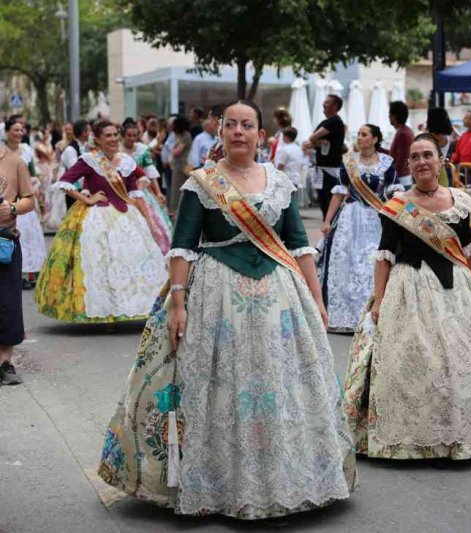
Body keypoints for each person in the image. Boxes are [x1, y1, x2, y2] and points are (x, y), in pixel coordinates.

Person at [97, 100, 356, 518]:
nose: (238, 131)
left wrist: (316, 297)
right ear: (221, 133)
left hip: (278, 295)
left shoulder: (280, 182)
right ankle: (215, 484)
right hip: (215, 295)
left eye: (247, 125)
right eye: (231, 124)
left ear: (260, 134)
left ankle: (287, 478)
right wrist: (178, 304)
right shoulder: (201, 183)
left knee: (279, 385)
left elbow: (298, 244)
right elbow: (182, 246)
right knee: (216, 386)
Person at [342, 132, 471, 460]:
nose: (422, 161)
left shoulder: (459, 201)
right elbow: (384, 255)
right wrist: (379, 301)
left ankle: (463, 433)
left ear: (440, 161)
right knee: (421, 361)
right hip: (410, 288)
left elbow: (469, 252)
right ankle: (421, 439)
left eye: (428, 155)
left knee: (460, 360)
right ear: (409, 164)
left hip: (457, 288)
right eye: (416, 156)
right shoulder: (397, 206)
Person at [34, 120, 167, 323]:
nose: (113, 139)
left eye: (115, 134)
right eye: (108, 135)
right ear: (97, 139)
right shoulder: (89, 160)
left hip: (127, 219)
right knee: (100, 263)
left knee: (129, 263)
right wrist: (87, 199)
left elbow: (135, 193)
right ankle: (106, 313)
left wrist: (149, 222)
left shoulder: (127, 162)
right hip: (96, 219)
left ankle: (129, 308)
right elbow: (64, 182)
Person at [319, 124, 398, 333]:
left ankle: (373, 314)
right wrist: (327, 220)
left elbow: (394, 192)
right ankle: (345, 317)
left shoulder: (387, 163)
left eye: (364, 134)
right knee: (347, 265)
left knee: (373, 263)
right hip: (351, 219)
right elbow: (339, 193)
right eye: (359, 134)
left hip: (376, 219)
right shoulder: (349, 161)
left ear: (375, 139)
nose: (360, 138)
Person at [0, 142, 36, 385]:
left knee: (7, 304)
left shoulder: (15, 161)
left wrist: (12, 207)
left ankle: (4, 363)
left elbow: (30, 199)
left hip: (4, 244)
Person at [4, 116, 47, 289]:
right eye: (15, 130)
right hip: (9, 200)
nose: (19, 133)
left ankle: (29, 272)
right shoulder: (3, 151)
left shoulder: (26, 150)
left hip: (25, 197)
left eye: (21, 130)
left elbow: (33, 172)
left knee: (30, 237)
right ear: (7, 132)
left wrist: (36, 184)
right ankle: (16, 273)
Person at [121, 122, 172, 254]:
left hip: (142, 191)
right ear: (123, 136)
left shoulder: (143, 149)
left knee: (151, 221)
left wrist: (158, 192)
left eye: (134, 135)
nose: (131, 138)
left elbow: (150, 173)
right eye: (128, 135)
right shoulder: (117, 150)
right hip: (121, 191)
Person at [304, 94, 346, 219]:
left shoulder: (334, 121)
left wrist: (316, 141)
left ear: (335, 106)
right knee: (323, 201)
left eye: (327, 102)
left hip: (330, 169)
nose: (323, 104)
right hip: (322, 167)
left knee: (329, 202)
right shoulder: (326, 122)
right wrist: (318, 142)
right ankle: (328, 226)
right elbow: (309, 143)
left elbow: (312, 138)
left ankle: (330, 227)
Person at [168, 115, 193, 212]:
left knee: (177, 190)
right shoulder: (181, 135)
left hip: (181, 166)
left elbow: (177, 152)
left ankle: (177, 210)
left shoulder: (186, 135)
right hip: (178, 165)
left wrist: (172, 151)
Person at [389, 101, 414, 188]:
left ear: (394, 116)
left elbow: (402, 159)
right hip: (403, 178)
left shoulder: (402, 133)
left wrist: (392, 176)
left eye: (390, 114)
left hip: (401, 180)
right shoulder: (405, 131)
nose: (388, 117)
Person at [274, 127, 305, 192]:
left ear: (286, 137)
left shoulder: (285, 149)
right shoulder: (299, 149)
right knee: (292, 199)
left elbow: (281, 165)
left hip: (286, 179)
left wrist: (275, 176)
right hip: (296, 179)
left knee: (286, 200)